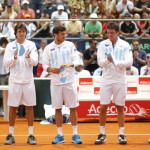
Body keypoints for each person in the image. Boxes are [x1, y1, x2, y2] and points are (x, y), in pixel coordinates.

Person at [42, 25, 82, 144]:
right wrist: (50, 69)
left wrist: (70, 64)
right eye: (62, 34)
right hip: (55, 82)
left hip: (69, 81)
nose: (65, 36)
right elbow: (44, 65)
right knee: (57, 108)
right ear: (55, 34)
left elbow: (77, 60)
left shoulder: (69, 45)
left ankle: (75, 134)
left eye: (65, 34)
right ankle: (60, 135)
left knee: (73, 107)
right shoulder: (48, 48)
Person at [95, 22, 133, 145]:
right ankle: (102, 134)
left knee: (120, 107)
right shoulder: (102, 44)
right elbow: (100, 62)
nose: (109, 35)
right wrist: (108, 60)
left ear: (118, 32)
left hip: (120, 79)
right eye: (108, 33)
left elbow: (129, 62)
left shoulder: (125, 45)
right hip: (106, 79)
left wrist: (117, 63)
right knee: (102, 108)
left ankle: (121, 134)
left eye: (112, 33)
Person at [3, 24, 38, 145]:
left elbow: (35, 62)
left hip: (28, 81)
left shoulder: (31, 45)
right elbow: (6, 64)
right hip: (15, 81)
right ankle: (11, 134)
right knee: (13, 107)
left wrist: (28, 58)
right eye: (19, 31)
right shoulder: (10, 46)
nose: (22, 33)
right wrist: (14, 58)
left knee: (29, 107)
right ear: (16, 33)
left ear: (26, 33)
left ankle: (31, 134)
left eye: (23, 31)